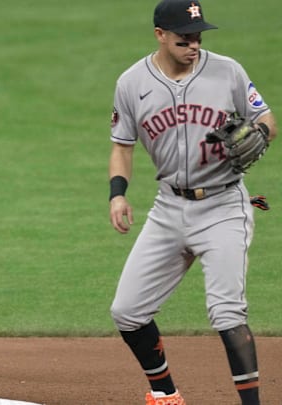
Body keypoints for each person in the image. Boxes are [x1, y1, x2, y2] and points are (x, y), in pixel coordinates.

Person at [107, 0, 277, 404]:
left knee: (226, 313)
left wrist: (262, 135)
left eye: (198, 37)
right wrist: (118, 194)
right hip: (168, 208)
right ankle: (165, 394)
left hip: (223, 207)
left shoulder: (228, 71)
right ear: (160, 35)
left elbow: (267, 118)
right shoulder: (132, 83)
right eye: (184, 38)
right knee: (127, 311)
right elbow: (121, 146)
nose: (194, 45)